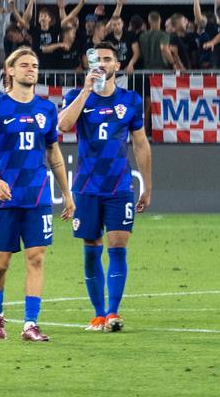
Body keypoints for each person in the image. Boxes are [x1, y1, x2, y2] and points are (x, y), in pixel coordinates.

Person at [58, 42, 152, 332]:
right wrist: (86, 90)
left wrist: (147, 186)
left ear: (117, 66)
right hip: (86, 187)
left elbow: (140, 143)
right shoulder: (76, 95)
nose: (102, 63)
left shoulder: (131, 100)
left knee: (118, 245)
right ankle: (98, 314)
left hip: (119, 186)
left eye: (107, 59)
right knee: (91, 246)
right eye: (96, 59)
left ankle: (113, 313)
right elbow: (62, 125)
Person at [0, 49, 74, 343]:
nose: (31, 69)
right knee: (0, 264)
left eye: (34, 65)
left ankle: (30, 324)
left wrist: (67, 193)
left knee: (36, 258)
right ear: (10, 71)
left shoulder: (46, 109)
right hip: (5, 197)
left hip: (37, 196)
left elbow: (53, 153)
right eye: (24, 65)